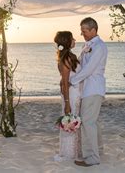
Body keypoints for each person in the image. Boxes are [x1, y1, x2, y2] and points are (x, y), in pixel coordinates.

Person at [70, 17, 107, 167]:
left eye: (84, 31)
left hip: (93, 88)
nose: (82, 34)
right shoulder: (87, 45)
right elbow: (80, 65)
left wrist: (72, 81)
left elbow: (89, 69)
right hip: (87, 89)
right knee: (93, 122)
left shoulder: (99, 46)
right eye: (82, 31)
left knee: (88, 122)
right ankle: (98, 150)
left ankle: (92, 158)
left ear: (93, 30)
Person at [53, 31, 82, 161]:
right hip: (71, 95)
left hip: (76, 93)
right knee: (71, 121)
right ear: (67, 42)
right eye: (72, 38)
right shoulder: (66, 59)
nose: (75, 40)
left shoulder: (71, 56)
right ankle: (69, 154)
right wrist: (67, 103)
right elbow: (65, 83)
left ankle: (75, 151)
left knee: (75, 122)